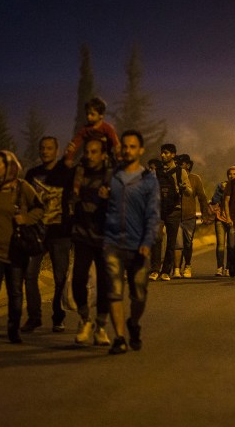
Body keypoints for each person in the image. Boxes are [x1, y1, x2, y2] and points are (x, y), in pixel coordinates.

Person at [0, 150, 45, 344]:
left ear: (9, 167)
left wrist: (26, 219)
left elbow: (40, 207)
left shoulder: (23, 188)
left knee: (15, 291)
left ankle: (14, 328)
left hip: (16, 249)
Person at [102, 129, 159, 354]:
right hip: (113, 243)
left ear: (141, 150)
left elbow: (153, 214)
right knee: (114, 291)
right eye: (124, 146)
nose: (127, 150)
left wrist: (147, 241)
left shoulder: (148, 180)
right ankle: (119, 338)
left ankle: (133, 323)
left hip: (138, 246)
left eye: (132, 146)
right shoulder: (112, 176)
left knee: (139, 295)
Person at [22, 136, 74, 333]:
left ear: (57, 151)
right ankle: (34, 317)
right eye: (42, 148)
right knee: (30, 274)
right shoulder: (32, 174)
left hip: (60, 233)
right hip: (37, 233)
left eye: (49, 148)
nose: (45, 151)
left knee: (60, 277)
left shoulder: (66, 173)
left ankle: (58, 316)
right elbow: (25, 200)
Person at [71, 137, 113, 346]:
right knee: (78, 278)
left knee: (105, 282)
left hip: (105, 236)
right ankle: (84, 318)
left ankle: (101, 326)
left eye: (94, 152)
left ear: (103, 155)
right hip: (82, 234)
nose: (89, 155)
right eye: (87, 151)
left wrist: (108, 199)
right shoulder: (78, 174)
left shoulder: (111, 176)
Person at [150, 143, 191, 281]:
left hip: (174, 210)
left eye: (166, 153)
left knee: (171, 242)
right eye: (162, 152)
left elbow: (190, 192)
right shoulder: (156, 171)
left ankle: (166, 271)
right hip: (158, 209)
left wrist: (184, 188)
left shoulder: (181, 172)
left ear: (173, 155)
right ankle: (154, 269)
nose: (163, 155)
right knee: (156, 238)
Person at [175, 154, 209, 278]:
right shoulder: (173, 177)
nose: (178, 166)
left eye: (180, 164)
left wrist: (205, 215)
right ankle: (176, 269)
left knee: (188, 243)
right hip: (175, 216)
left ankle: (187, 265)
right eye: (176, 163)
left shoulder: (195, 179)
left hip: (189, 216)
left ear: (188, 165)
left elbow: (202, 198)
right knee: (177, 244)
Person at [64, 97, 120, 167]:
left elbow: (116, 143)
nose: (88, 117)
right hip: (89, 156)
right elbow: (75, 144)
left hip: (105, 156)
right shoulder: (85, 129)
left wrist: (119, 156)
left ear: (101, 116)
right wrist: (69, 158)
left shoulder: (107, 128)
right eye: (87, 114)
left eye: (92, 114)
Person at [209, 166, 235, 276]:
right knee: (220, 244)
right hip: (221, 218)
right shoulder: (221, 186)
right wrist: (223, 191)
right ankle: (219, 267)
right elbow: (214, 200)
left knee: (231, 245)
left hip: (233, 220)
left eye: (234, 174)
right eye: (230, 174)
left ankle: (229, 268)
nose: (232, 176)